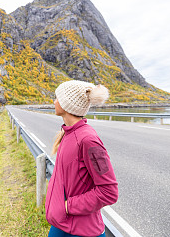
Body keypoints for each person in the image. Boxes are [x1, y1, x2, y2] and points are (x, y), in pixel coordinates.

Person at [45, 80, 118, 237]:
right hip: (63, 223)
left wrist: (66, 206)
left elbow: (109, 192)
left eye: (57, 97)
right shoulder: (67, 133)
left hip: (83, 230)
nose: (54, 101)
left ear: (66, 104)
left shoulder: (88, 140)